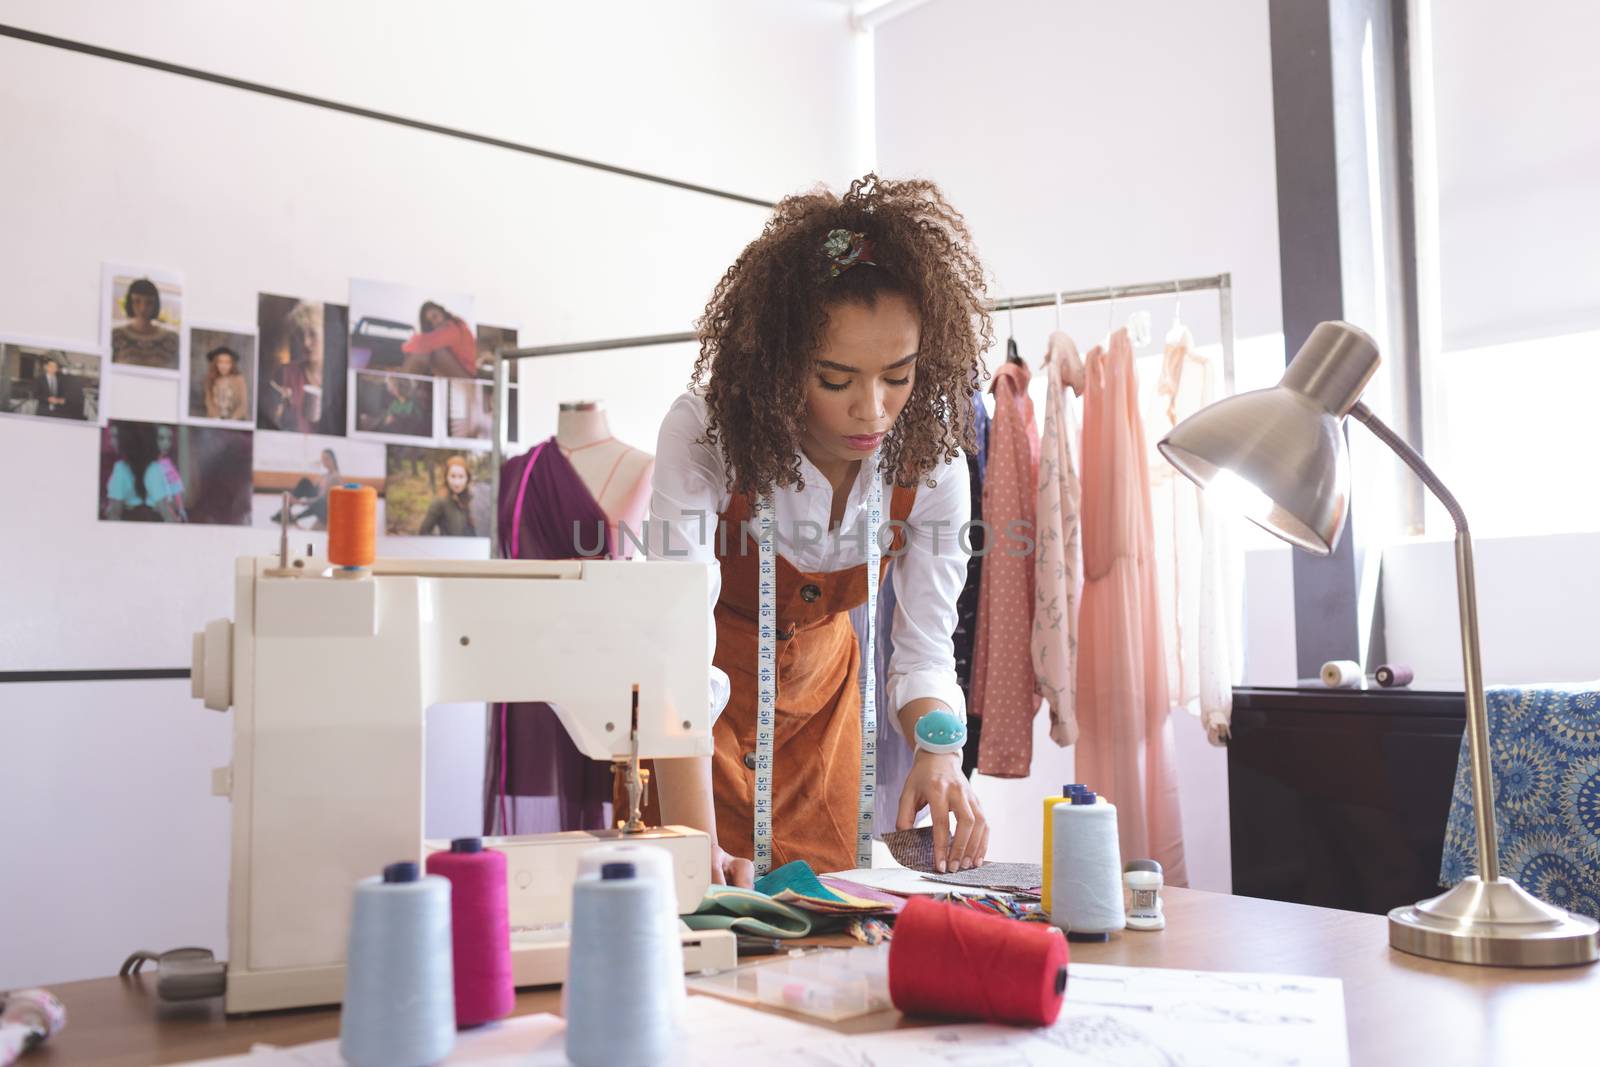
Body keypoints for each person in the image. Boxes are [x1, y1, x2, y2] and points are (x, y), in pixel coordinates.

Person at [647, 175, 992, 887]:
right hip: (699, 721)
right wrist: (692, 840)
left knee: (828, 936)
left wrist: (940, 751)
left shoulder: (930, 466)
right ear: (779, 365)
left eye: (898, 375)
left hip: (825, 725)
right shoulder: (709, 434)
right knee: (702, 922)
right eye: (836, 379)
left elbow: (924, 651)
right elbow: (673, 645)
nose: (873, 409)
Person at [264, 302, 325, 431]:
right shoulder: (285, 373)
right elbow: (271, 422)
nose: (305, 343)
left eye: (313, 334)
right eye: (301, 334)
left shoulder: (339, 381)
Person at [104, 422, 180, 522]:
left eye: (116, 436)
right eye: (111, 437)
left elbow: (114, 514)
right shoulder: (148, 467)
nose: (111, 442)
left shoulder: (123, 468)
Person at [111, 278, 179, 369]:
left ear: (155, 304)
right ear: (130, 302)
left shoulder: (172, 339)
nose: (143, 308)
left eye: (149, 302)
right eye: (137, 301)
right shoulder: (116, 336)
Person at [400, 302, 476, 378]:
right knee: (427, 352)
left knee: (436, 352)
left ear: (442, 312)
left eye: (435, 316)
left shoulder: (453, 328)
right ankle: (404, 382)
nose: (434, 323)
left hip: (469, 377)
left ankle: (402, 383)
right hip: (463, 373)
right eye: (429, 323)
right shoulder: (454, 325)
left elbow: (409, 346)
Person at [418, 455, 477, 536]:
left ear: (467, 478)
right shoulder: (440, 501)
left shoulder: (465, 496)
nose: (457, 483)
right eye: (453, 476)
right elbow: (424, 532)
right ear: (446, 477)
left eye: (461, 476)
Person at [203, 345, 250, 420]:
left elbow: (243, 404)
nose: (224, 366)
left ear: (232, 364)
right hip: (215, 422)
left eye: (227, 363)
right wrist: (216, 418)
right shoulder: (210, 380)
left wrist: (234, 419)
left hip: (236, 422)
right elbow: (209, 403)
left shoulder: (239, 380)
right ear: (215, 364)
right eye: (220, 362)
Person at [31, 354, 81, 418]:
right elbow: (35, 395)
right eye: (51, 366)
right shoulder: (39, 379)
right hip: (43, 412)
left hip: (58, 413)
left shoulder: (61, 380)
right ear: (45, 367)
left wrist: (64, 400)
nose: (53, 368)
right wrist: (48, 399)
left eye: (55, 367)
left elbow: (67, 394)